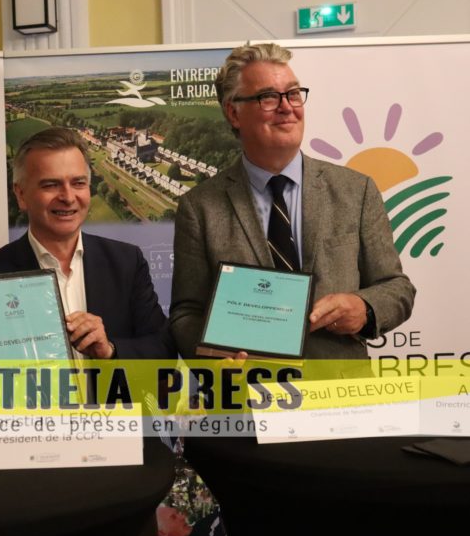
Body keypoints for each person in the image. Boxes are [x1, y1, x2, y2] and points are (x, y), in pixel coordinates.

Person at [169, 43, 415, 361]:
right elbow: (186, 313)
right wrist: (213, 354)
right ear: (233, 112)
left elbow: (396, 288)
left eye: (294, 94)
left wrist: (364, 308)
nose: (287, 107)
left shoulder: (356, 191)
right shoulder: (200, 207)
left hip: (342, 399)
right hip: (248, 398)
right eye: (269, 97)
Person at [0, 126, 174, 360]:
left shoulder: (126, 263)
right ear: (21, 195)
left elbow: (163, 353)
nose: (68, 197)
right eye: (50, 185)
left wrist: (110, 351)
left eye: (78, 183)